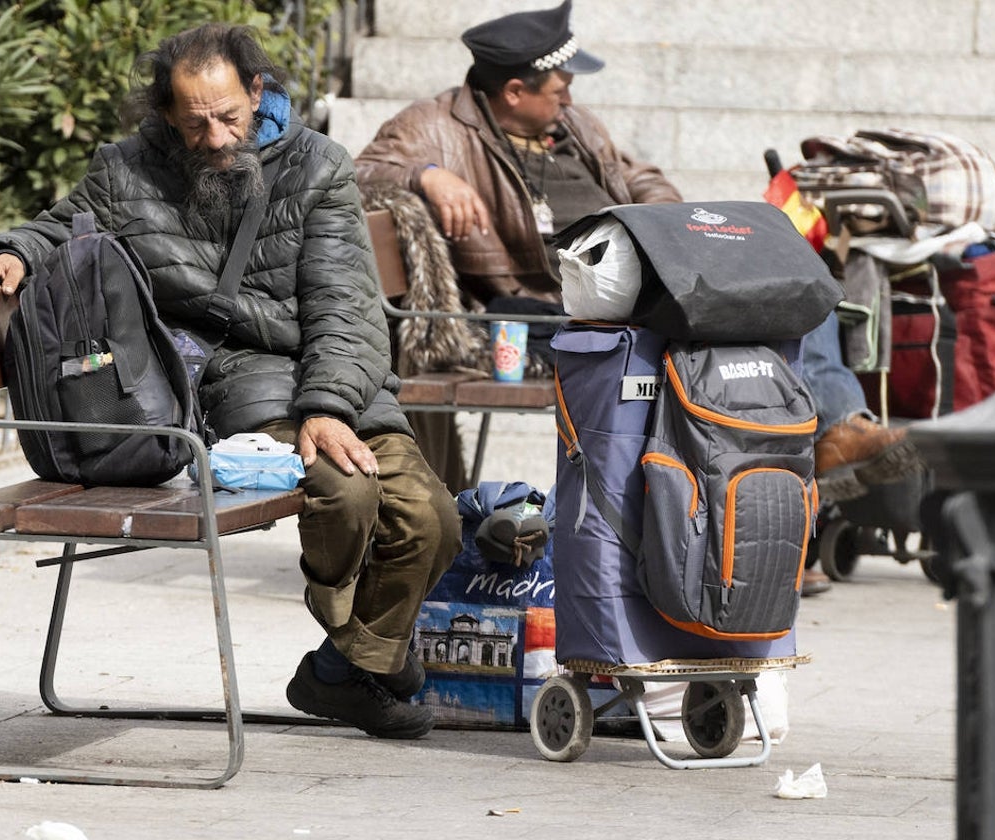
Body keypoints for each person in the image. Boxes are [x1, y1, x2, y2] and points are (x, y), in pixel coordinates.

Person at [0, 23, 461, 739]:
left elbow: (343, 305)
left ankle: (342, 667)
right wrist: (16, 251)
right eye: (196, 122)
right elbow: (64, 224)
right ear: (166, 113)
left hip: (337, 377)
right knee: (347, 492)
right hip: (232, 384)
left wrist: (326, 405)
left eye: (230, 115)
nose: (219, 135)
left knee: (432, 518)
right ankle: (361, 666)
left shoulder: (318, 165)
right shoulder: (125, 171)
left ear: (257, 91)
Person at [353, 1, 922, 594]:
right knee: (714, 355)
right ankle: (766, 518)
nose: (569, 99)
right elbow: (361, 170)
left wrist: (672, 220)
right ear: (515, 91)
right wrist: (427, 175)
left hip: (639, 274)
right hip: (554, 302)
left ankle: (836, 434)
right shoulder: (436, 124)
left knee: (791, 287)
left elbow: (636, 172)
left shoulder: (571, 125)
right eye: (559, 87)